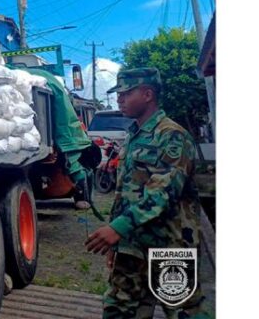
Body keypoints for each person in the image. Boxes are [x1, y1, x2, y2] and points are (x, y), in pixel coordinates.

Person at [85, 68, 209, 318]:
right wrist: (117, 242)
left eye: (126, 93)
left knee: (183, 311)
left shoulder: (172, 136)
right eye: (118, 94)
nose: (119, 99)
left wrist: (117, 228)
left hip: (169, 245)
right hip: (131, 245)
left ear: (148, 94)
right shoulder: (134, 135)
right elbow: (124, 194)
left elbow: (163, 193)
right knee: (118, 310)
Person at [28, 69, 100, 209]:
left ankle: (83, 197)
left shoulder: (74, 126)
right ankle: (82, 197)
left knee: (79, 171)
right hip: (65, 145)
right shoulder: (71, 123)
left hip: (67, 146)